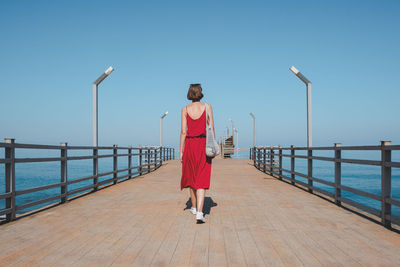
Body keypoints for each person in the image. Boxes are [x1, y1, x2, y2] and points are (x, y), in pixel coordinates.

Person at [180, 84, 214, 224]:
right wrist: (212, 146)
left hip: (189, 144)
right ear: (200, 93)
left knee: (191, 175)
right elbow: (211, 128)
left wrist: (181, 151)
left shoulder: (185, 109)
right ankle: (199, 212)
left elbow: (183, 131)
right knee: (201, 177)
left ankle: (194, 207)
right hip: (203, 144)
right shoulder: (207, 107)